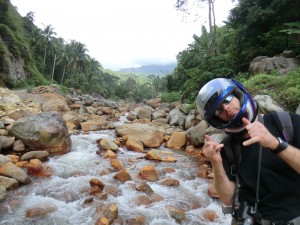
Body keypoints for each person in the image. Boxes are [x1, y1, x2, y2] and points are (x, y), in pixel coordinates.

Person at [196, 78, 300, 225]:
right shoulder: (228, 146)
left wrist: (275, 143)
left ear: (238, 95)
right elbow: (227, 198)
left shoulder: (287, 123)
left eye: (228, 99)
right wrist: (216, 162)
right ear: (216, 119)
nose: (226, 108)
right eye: (218, 110)